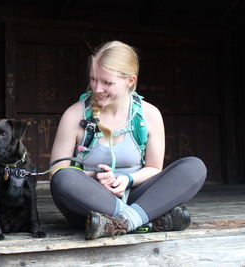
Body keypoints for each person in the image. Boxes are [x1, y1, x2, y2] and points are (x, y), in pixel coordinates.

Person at [49, 40, 207, 239]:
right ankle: (146, 220)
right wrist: (95, 177)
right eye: (93, 79)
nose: (97, 89)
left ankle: (122, 222)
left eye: (107, 82)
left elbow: (154, 169)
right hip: (92, 201)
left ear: (130, 81)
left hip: (135, 195)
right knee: (64, 178)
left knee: (194, 167)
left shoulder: (149, 115)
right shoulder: (74, 115)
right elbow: (56, 171)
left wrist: (129, 179)